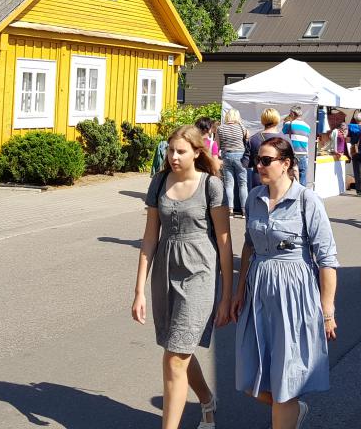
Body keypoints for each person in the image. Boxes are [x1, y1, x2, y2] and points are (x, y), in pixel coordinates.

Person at [233, 137, 339, 428]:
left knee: (284, 384)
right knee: (250, 378)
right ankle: (294, 409)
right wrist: (238, 292)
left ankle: (289, 410)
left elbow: (327, 259)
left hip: (294, 297)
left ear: (287, 164)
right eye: (258, 159)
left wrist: (326, 310)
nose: (259, 165)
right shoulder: (253, 196)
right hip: (258, 296)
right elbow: (248, 246)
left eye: (266, 160)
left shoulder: (307, 200)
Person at [133, 126, 233, 429]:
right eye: (170, 150)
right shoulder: (159, 181)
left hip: (200, 272)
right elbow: (150, 238)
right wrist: (139, 291)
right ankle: (207, 400)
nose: (173, 156)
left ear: (197, 152)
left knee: (175, 357)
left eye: (181, 151)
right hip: (165, 271)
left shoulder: (212, 186)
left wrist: (227, 295)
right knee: (177, 348)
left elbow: (226, 244)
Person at [218, 108, 249, 217]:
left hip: (226, 155)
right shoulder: (242, 127)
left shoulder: (220, 128)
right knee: (243, 184)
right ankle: (244, 210)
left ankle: (230, 210)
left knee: (229, 184)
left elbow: (218, 144)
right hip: (240, 156)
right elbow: (247, 141)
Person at [248, 108, 287, 190]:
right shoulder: (285, 139)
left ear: (263, 120)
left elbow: (247, 162)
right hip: (279, 181)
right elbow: (292, 165)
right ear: (277, 120)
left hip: (259, 180)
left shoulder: (253, 139)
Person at [283, 106, 312, 187]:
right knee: (302, 175)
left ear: (292, 113)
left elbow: (282, 137)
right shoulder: (307, 126)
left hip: (292, 153)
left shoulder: (288, 124)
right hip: (303, 153)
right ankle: (302, 194)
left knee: (290, 176)